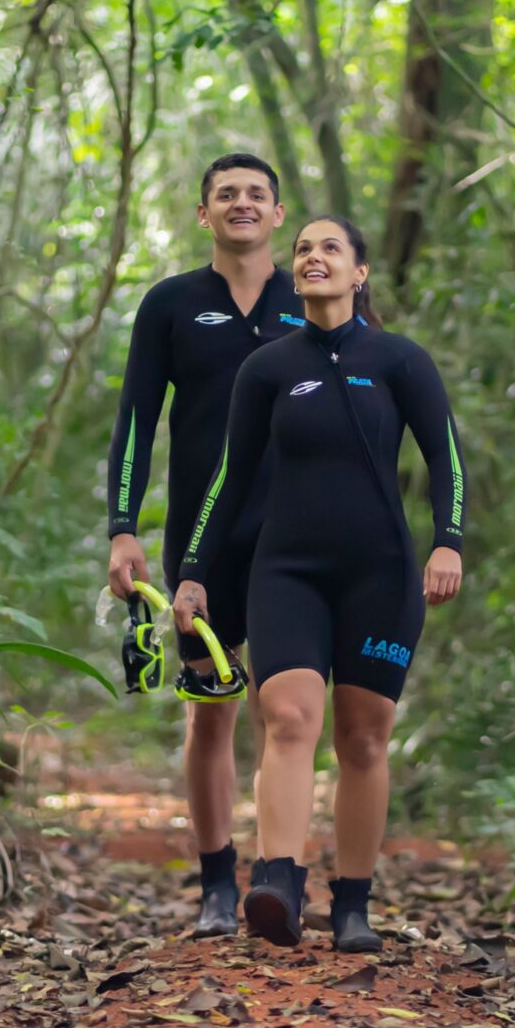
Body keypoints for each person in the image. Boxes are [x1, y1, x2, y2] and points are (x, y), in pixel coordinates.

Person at [172, 216, 465, 953]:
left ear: (359, 272)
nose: (313, 257)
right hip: (287, 570)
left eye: (330, 247)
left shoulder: (400, 362)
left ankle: (354, 905)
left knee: (363, 738)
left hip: (382, 573)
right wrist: (194, 573)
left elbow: (446, 460)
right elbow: (229, 481)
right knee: (289, 716)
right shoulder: (267, 369)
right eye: (303, 248)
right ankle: (279, 880)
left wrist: (449, 544)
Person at [107, 152, 308, 938]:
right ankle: (217, 883)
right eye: (226, 194)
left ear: (279, 215)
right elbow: (134, 421)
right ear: (204, 215)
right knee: (213, 711)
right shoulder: (171, 304)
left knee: (286, 708)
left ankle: (280, 874)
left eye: (257, 193)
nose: (242, 204)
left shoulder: (313, 297)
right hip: (201, 539)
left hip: (297, 537)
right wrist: (122, 526)